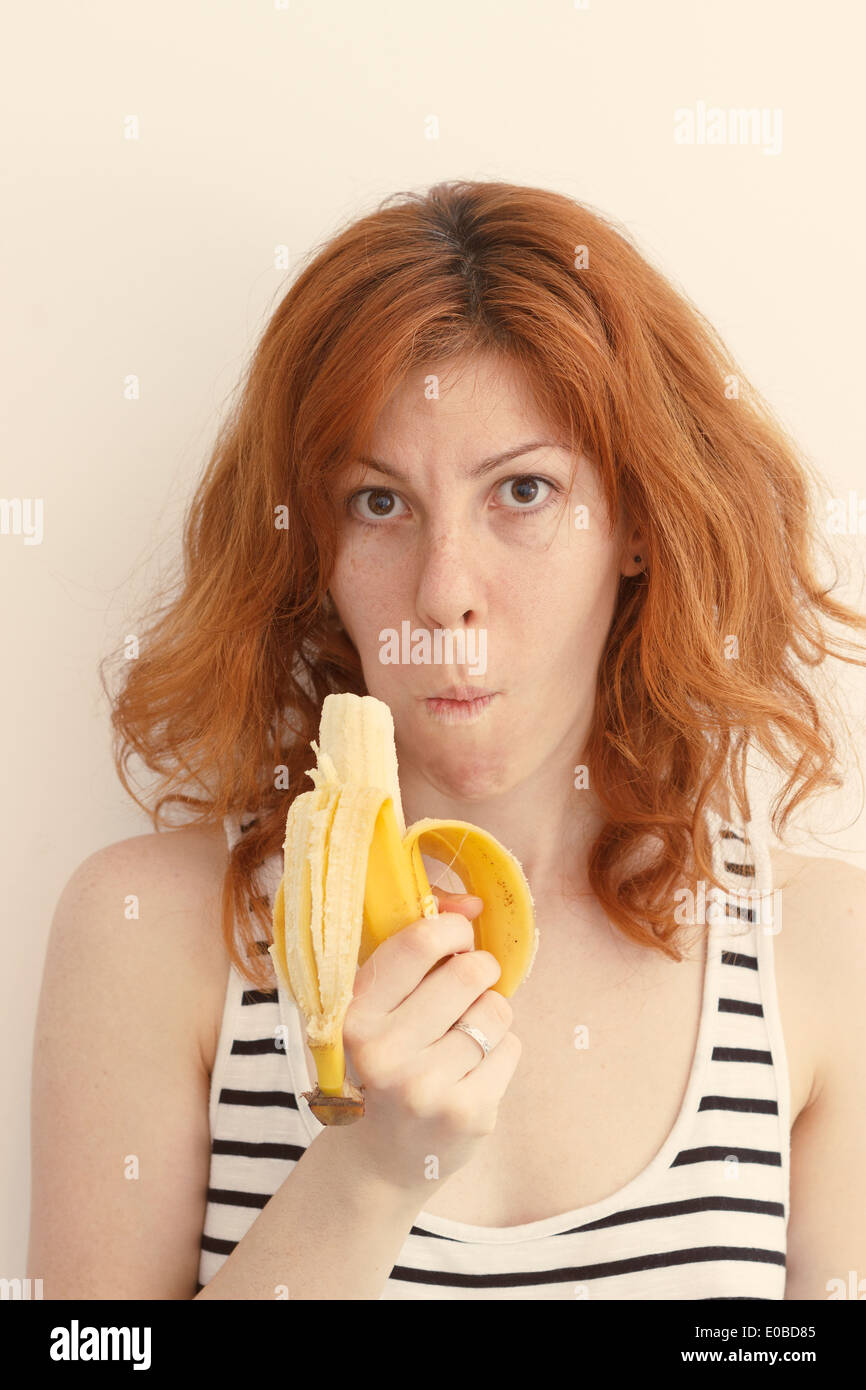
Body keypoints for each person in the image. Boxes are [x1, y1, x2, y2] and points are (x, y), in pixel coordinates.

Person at [28, 180, 866, 1300]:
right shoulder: (149, 933)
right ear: (312, 546)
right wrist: (370, 1175)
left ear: (633, 525)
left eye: (522, 489)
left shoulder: (818, 953)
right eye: (379, 503)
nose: (443, 593)